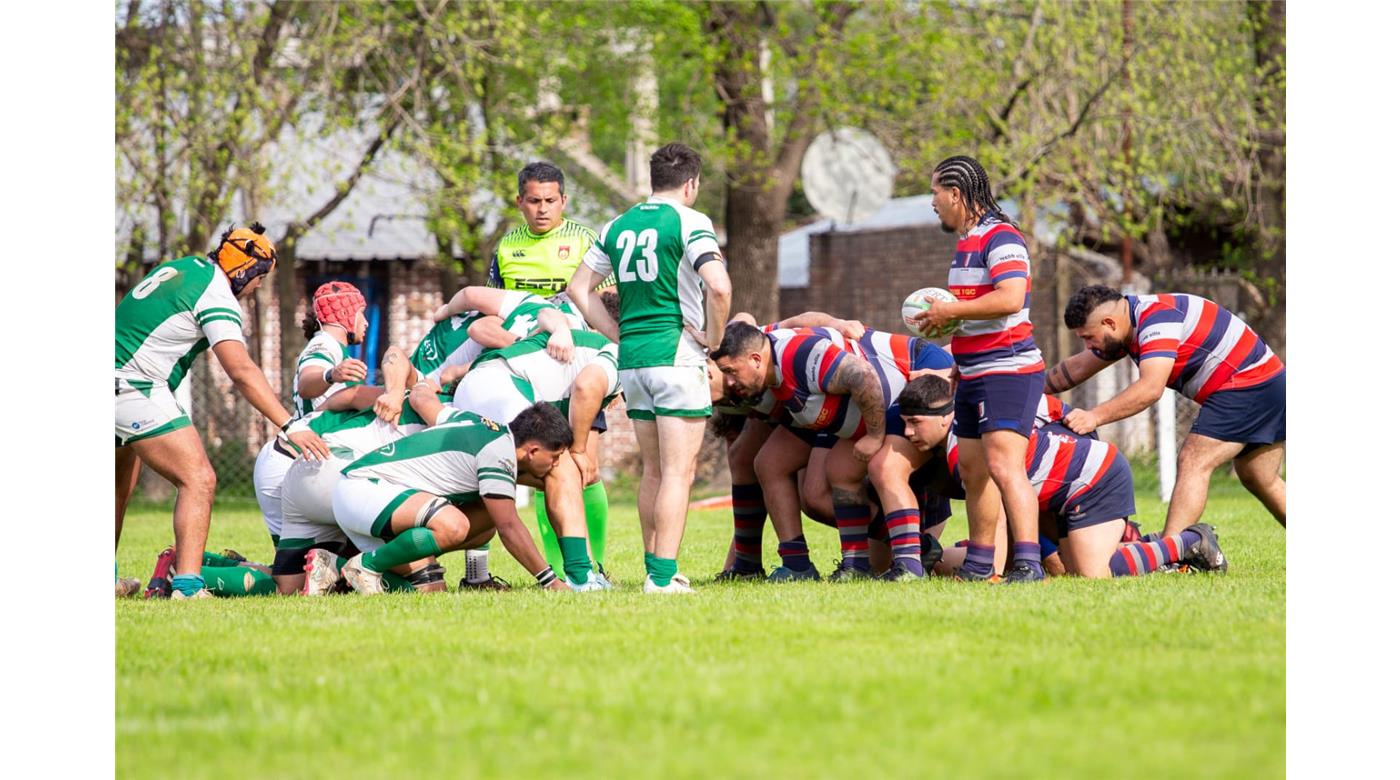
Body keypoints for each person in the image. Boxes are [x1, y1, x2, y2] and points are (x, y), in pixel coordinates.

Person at [115, 223, 329, 599]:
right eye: (260, 277)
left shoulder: (186, 267)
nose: (258, 286)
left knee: (116, 487)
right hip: (133, 385)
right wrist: (288, 425)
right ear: (245, 270)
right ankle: (186, 586)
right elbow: (241, 370)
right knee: (199, 479)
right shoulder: (217, 295)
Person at [567, 142, 731, 593]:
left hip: (634, 362)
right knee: (679, 472)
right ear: (692, 183)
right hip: (676, 356)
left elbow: (578, 289)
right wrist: (713, 340)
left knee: (654, 471)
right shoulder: (691, 221)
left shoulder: (618, 224)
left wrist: (616, 335)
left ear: (652, 179)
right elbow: (718, 288)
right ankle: (662, 578)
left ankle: (654, 569)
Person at [897, 375, 1227, 578]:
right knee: (1058, 567)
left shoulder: (964, 447)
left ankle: (1189, 542)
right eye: (905, 423)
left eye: (915, 422)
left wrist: (984, 572)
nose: (908, 432)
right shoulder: (964, 434)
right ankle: (926, 551)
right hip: (1052, 496)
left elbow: (994, 534)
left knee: (1091, 573)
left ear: (945, 418)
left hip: (1094, 479)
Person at [711, 322, 950, 580]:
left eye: (730, 371)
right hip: (851, 403)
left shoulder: (798, 356)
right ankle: (824, 565)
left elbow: (863, 376)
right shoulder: (762, 370)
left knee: (883, 467)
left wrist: (874, 436)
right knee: (795, 466)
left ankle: (911, 562)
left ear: (756, 359)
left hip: (902, 381)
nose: (730, 381)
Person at [1047, 285, 1286, 535]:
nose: (1088, 346)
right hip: (1267, 382)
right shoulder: (1127, 324)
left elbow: (1151, 388)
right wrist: (1026, 386)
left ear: (1109, 323)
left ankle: (1169, 553)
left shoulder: (1157, 319)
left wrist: (1093, 417)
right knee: (1259, 477)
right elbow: (1075, 370)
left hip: (1250, 383)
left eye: (1088, 337)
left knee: (1194, 459)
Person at [909, 155, 1048, 583]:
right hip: (973, 369)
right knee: (972, 470)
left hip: (1009, 370)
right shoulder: (967, 242)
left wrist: (952, 309)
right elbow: (979, 312)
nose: (931, 202)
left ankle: (1028, 563)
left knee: (1006, 466)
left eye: (934, 192)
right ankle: (979, 564)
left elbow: (1010, 298)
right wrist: (958, 355)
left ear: (955, 194)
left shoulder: (1002, 237)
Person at [331, 402, 575, 594]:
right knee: (454, 525)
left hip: (374, 498)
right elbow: (509, 526)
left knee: (428, 590)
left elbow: (424, 400)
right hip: (363, 488)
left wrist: (422, 386)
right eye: (555, 456)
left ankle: (336, 567)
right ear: (532, 450)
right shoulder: (498, 453)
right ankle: (367, 564)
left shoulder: (481, 425)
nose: (555, 464)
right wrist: (549, 580)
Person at [453, 328, 622, 590]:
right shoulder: (620, 353)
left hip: (478, 387)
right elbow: (586, 386)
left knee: (479, 497)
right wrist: (576, 450)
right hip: (499, 384)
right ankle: (581, 577)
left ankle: (429, 571)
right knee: (562, 466)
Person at [251, 281, 370, 550]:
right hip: (291, 465)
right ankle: (190, 569)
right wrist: (331, 374)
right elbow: (308, 382)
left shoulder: (335, 349)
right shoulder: (325, 346)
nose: (366, 322)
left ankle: (209, 567)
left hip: (296, 464)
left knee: (307, 577)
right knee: (308, 575)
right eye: (362, 313)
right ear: (345, 315)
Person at [487, 161, 608, 295]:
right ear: (520, 202)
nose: (543, 209)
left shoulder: (586, 239)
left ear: (563, 201)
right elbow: (492, 297)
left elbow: (611, 293)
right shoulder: (506, 244)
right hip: (516, 315)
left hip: (569, 315)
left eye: (550, 201)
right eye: (534, 201)